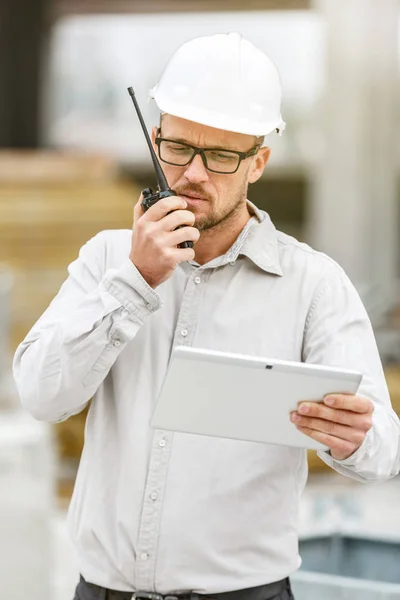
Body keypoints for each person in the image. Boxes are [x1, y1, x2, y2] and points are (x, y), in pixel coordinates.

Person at [13, 32, 400, 600]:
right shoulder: (106, 260)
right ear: (155, 138)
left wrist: (350, 438)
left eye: (220, 156)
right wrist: (136, 281)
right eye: (178, 148)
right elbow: (42, 396)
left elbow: (386, 452)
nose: (193, 174)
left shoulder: (313, 286)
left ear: (258, 162)